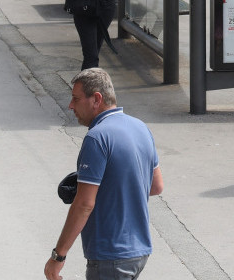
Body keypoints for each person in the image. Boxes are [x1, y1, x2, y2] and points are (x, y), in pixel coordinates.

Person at [44, 68, 164, 280]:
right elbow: (156, 186)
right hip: (139, 251)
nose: (71, 105)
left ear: (96, 99)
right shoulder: (140, 127)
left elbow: (84, 205)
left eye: (75, 98)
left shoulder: (97, 138)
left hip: (111, 256)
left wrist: (58, 257)